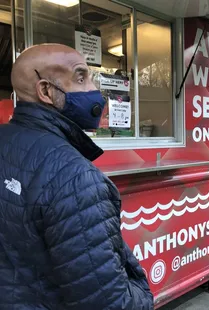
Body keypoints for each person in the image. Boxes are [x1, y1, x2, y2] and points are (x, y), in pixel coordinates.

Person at [0, 44, 154, 310]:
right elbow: (110, 303)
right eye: (81, 78)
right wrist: (142, 294)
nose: (94, 91)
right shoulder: (74, 177)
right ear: (46, 91)